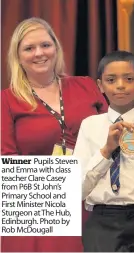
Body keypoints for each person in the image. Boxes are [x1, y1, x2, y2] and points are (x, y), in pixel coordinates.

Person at [1, 17, 108, 252]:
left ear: (56, 48)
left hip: (92, 201)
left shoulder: (86, 85)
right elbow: (8, 164)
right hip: (36, 206)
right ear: (18, 57)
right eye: (29, 48)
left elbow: (109, 136)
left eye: (45, 45)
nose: (39, 53)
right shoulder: (6, 100)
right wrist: (69, 177)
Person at [73, 50, 134, 252]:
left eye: (129, 78)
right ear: (100, 86)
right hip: (102, 221)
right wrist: (106, 150)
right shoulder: (89, 126)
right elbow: (76, 190)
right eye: (111, 79)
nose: (121, 85)